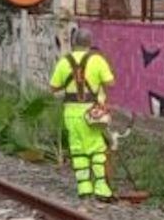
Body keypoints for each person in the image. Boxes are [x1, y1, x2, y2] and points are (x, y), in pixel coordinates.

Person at [49, 25, 115, 200]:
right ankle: (101, 188)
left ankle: (84, 188)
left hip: (71, 113)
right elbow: (110, 82)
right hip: (94, 113)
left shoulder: (64, 62)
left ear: (73, 42)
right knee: (97, 149)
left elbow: (53, 87)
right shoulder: (98, 60)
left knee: (78, 149)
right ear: (90, 43)